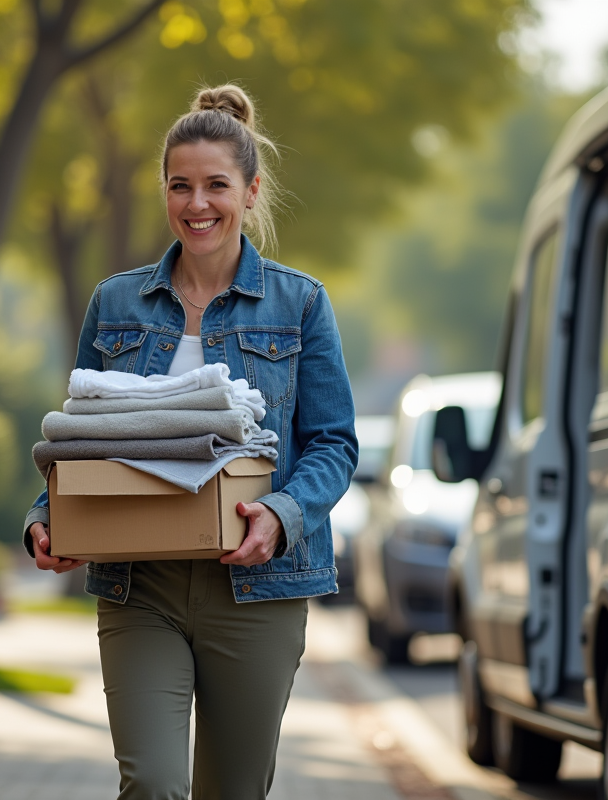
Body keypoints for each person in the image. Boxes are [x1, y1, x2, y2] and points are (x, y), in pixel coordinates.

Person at [23, 84, 358, 800]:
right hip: (139, 582)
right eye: (180, 186)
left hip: (256, 587)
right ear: (164, 192)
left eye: (215, 185)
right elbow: (82, 431)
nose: (197, 203)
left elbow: (333, 444)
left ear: (251, 189)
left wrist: (283, 515)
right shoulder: (116, 304)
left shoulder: (300, 304)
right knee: (153, 786)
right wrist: (45, 520)